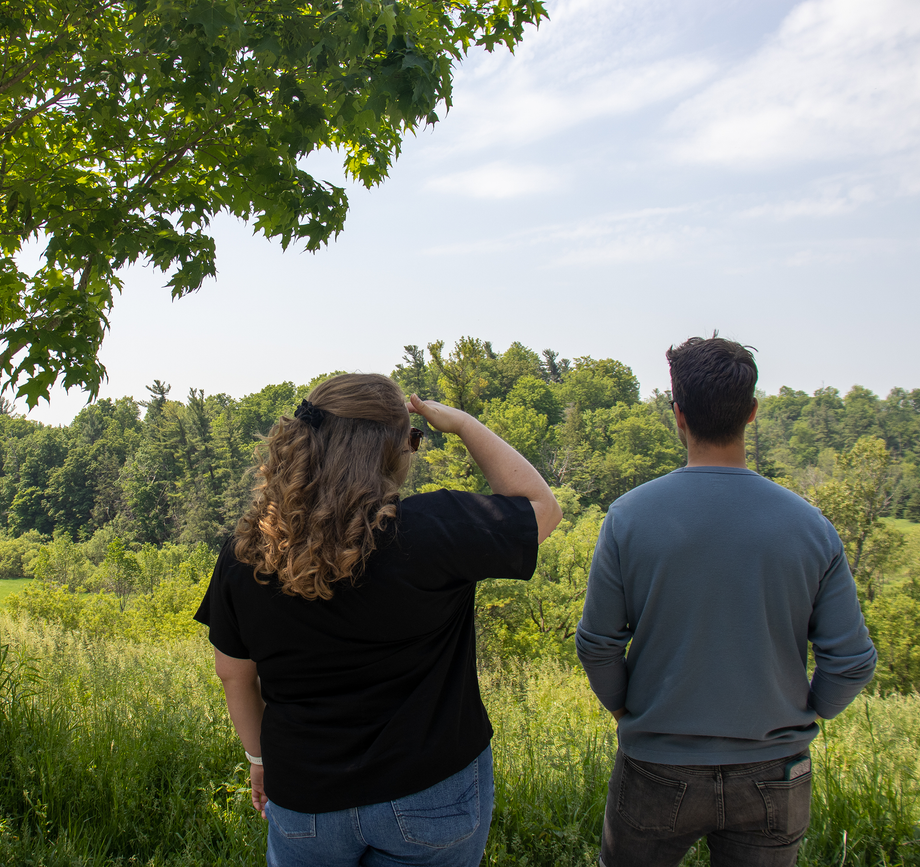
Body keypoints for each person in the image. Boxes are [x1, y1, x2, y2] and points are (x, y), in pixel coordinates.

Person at [194, 373, 561, 867]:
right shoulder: (433, 530)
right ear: (390, 449)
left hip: (305, 796)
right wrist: (465, 424)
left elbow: (233, 673)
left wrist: (259, 759)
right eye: (413, 438)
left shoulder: (247, 556)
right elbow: (542, 509)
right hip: (431, 791)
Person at [576, 337, 877, 867]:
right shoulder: (811, 527)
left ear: (678, 415)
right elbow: (851, 662)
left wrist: (625, 707)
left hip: (655, 763)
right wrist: (808, 713)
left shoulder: (629, 517)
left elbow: (598, 643)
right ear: (753, 413)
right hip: (774, 770)